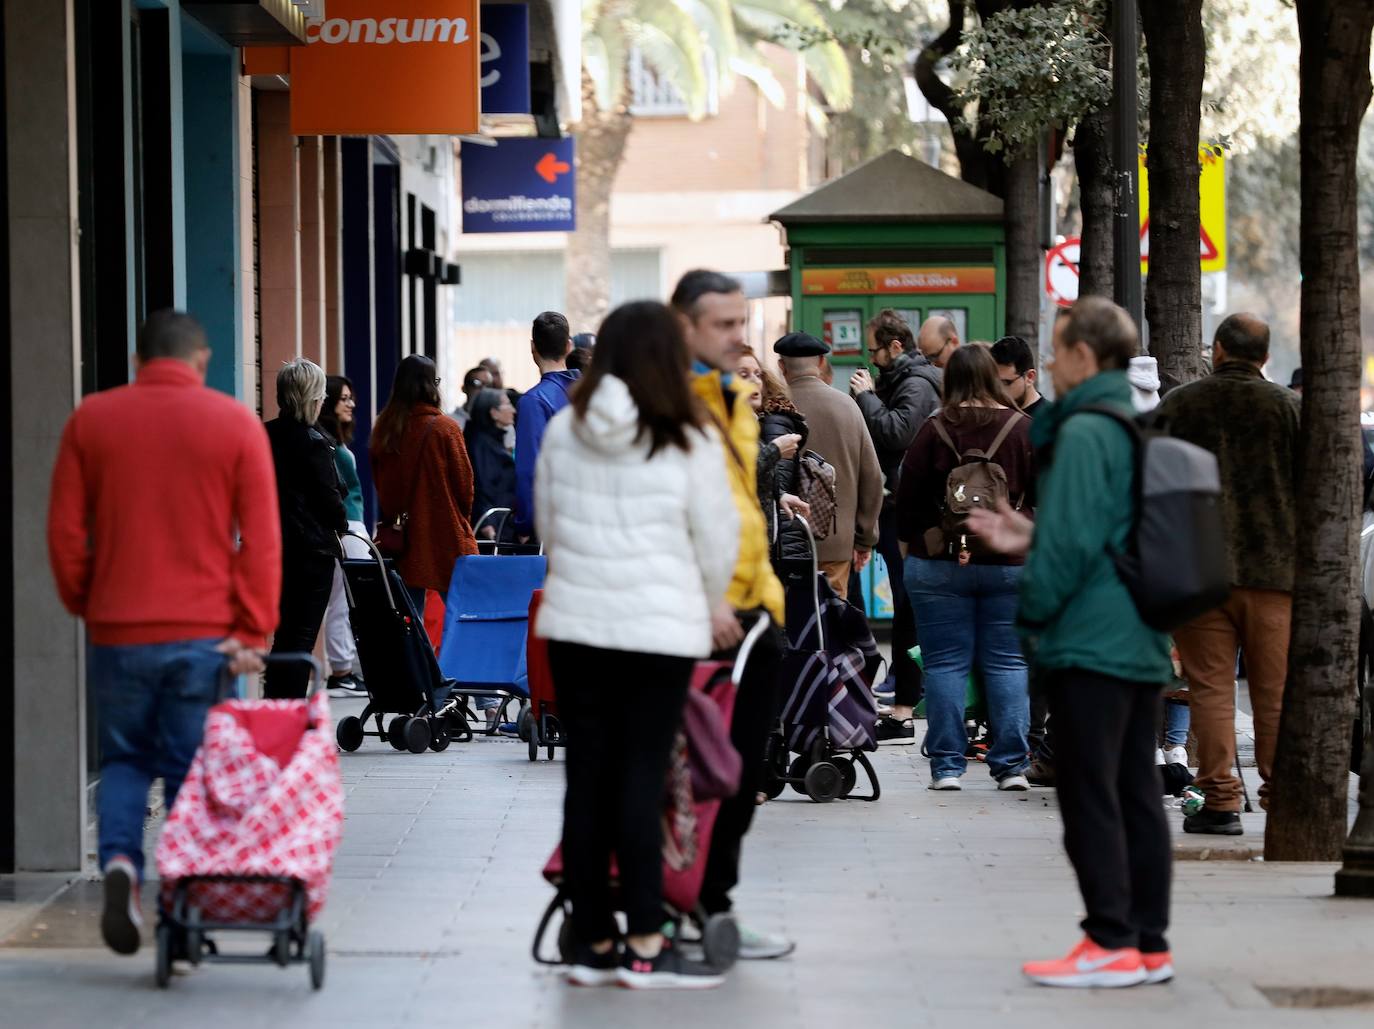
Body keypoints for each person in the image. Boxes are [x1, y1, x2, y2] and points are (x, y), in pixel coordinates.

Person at [47, 310, 280, 955]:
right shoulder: (234, 424)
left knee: (124, 758)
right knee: (187, 767)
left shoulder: (90, 421)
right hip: (203, 635)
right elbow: (262, 540)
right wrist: (254, 626)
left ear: (136, 362)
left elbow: (65, 533)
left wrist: (88, 601)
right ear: (201, 361)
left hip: (119, 626)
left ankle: (121, 864)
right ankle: (181, 908)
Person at [971, 296, 1174, 988]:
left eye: (1057, 351)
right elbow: (1098, 532)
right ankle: (1146, 942)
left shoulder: (1086, 431)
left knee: (1091, 796)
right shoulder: (1128, 419)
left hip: (1092, 638)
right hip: (1134, 633)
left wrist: (1033, 619)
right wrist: (1030, 534)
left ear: (1085, 356)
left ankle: (1109, 938)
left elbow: (1075, 549)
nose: (1049, 363)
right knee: (1135, 790)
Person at [535, 300, 738, 989]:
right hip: (657, 631)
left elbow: (549, 527)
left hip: (576, 624)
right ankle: (648, 940)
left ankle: (591, 940)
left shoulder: (565, 430)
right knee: (644, 774)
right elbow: (715, 538)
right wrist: (702, 596)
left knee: (586, 775)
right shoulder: (688, 434)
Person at [670, 269, 790, 959]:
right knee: (707, 773)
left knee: (742, 774)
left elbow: (738, 502)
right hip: (708, 615)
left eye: (742, 323)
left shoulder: (730, 399)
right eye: (723, 324)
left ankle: (712, 900)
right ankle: (696, 900)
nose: (739, 337)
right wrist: (707, 596)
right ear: (685, 326)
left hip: (754, 607)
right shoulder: (670, 405)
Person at [1157, 313, 1300, 835]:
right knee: (1274, 689)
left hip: (1199, 574)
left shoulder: (1179, 406)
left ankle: (1219, 799)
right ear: (1263, 356)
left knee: (1210, 688)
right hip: (1275, 574)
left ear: (1216, 350)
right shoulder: (1290, 408)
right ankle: (1280, 795)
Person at [894, 344, 1035, 780]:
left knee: (944, 664)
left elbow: (908, 498)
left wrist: (911, 550)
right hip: (1010, 561)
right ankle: (1011, 765)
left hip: (939, 561)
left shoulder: (934, 428)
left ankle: (947, 767)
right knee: (1008, 662)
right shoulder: (1023, 429)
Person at [850, 309, 942, 727]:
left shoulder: (918, 383)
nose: (870, 359)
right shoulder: (901, 380)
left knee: (909, 602)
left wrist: (867, 397)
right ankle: (908, 696)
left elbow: (897, 433)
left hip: (907, 506)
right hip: (894, 504)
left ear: (895, 347)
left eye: (874, 350)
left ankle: (909, 699)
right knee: (908, 599)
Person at [263, 358, 349, 699]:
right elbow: (330, 501)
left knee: (283, 635)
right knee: (302, 636)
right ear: (313, 397)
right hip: (311, 552)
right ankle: (290, 713)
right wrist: (341, 525)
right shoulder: (314, 441)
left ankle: (274, 706)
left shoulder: (264, 434)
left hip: (273, 547)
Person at [777, 333, 884, 606]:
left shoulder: (772, 407)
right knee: (832, 623)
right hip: (836, 541)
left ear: (781, 366)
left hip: (782, 543)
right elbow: (871, 478)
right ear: (822, 362)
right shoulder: (847, 406)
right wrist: (864, 538)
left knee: (790, 623)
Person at [371, 355, 478, 615]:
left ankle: (416, 658)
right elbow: (465, 488)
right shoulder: (445, 428)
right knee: (464, 613)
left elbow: (383, 488)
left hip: (405, 539)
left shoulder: (385, 429)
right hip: (445, 535)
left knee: (411, 620)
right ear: (431, 386)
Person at [735, 351, 810, 571]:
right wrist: (776, 450)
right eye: (744, 374)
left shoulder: (750, 422)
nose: (755, 380)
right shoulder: (722, 425)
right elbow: (736, 472)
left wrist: (779, 495)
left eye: (758, 374)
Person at [319, 374, 369, 693]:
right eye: (344, 399)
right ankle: (341, 670)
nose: (351, 404)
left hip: (351, 526)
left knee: (345, 598)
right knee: (344, 599)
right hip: (346, 527)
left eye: (351, 398)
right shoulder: (328, 443)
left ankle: (343, 667)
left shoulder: (335, 441)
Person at [513, 311, 580, 542]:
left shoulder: (534, 402)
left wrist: (526, 523)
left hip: (556, 524)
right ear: (569, 345)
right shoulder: (592, 394)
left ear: (533, 348)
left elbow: (529, 469)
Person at [466, 388, 519, 537]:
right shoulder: (481, 445)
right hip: (494, 526)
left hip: (502, 521)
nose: (513, 410)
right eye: (508, 404)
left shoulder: (493, 442)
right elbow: (481, 485)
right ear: (493, 413)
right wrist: (487, 523)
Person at [990, 334, 1046, 417]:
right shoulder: (992, 415)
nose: (999, 391)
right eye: (993, 383)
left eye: (1005, 383)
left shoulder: (1051, 422)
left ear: (1029, 377)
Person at [453, 365, 493, 430]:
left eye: (488, 385)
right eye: (477, 383)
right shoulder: (450, 422)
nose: (483, 389)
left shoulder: (501, 423)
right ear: (464, 388)